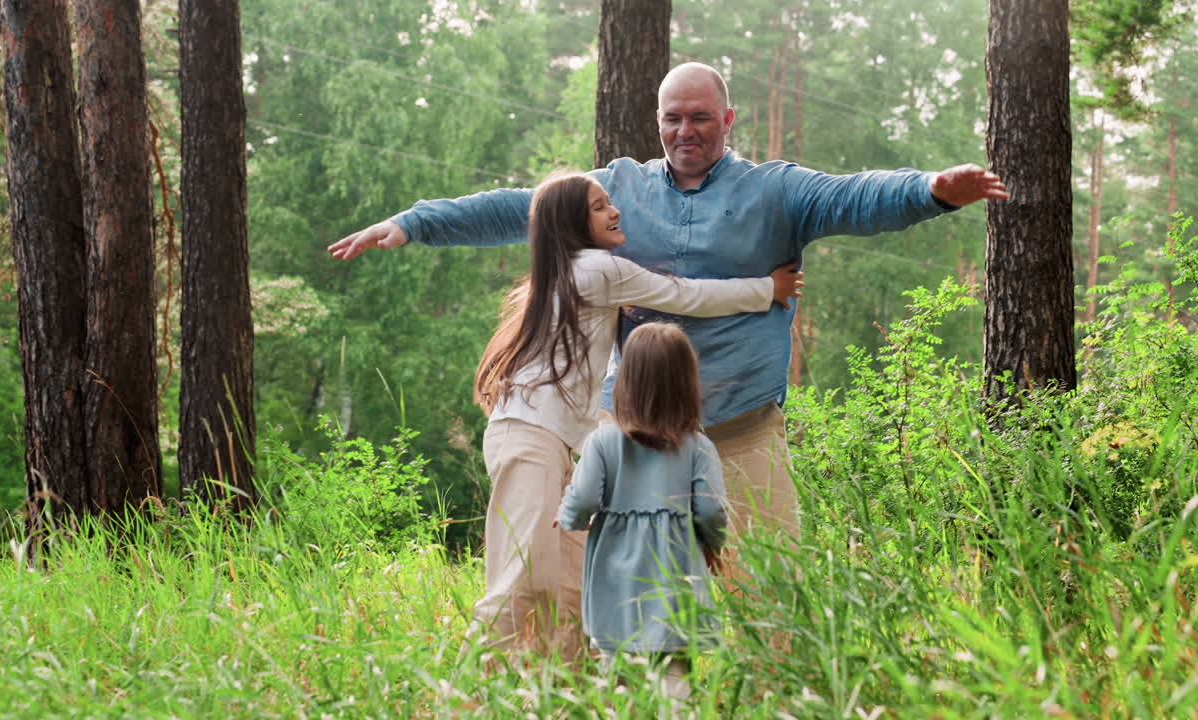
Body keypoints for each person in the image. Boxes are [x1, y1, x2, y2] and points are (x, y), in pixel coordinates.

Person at [329, 62, 1007, 556]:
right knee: (616, 581)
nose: (686, 131)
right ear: (658, 121)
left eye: (700, 117)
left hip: (740, 428)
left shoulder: (777, 191)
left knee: (766, 582)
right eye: (672, 118)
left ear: (728, 120)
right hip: (632, 433)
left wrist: (931, 190)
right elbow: (520, 207)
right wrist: (415, 222)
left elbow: (854, 197)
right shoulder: (617, 188)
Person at [465, 171, 801, 661]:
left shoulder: (572, 272)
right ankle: (465, 694)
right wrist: (766, 290)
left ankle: (564, 694)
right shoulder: (601, 270)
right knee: (524, 579)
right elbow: (686, 295)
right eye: (599, 207)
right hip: (531, 436)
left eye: (609, 202)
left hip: (546, 440)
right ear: (574, 223)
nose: (614, 211)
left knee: (569, 579)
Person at [556, 321, 726, 702]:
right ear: (687, 384)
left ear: (625, 381)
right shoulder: (698, 448)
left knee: (615, 674)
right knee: (673, 675)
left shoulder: (602, 442)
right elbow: (712, 510)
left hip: (614, 580)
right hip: (675, 575)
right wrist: (714, 545)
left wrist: (568, 517)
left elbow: (582, 499)